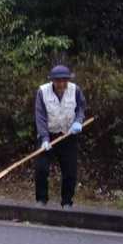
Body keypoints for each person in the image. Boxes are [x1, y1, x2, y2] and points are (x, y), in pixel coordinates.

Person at [34, 64, 86, 207]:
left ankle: (67, 202)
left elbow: (81, 108)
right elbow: (40, 117)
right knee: (41, 169)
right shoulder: (42, 92)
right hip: (48, 135)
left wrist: (78, 121)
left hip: (68, 134)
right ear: (52, 80)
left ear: (68, 80)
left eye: (64, 80)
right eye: (58, 81)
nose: (61, 84)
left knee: (70, 171)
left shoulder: (75, 90)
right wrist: (44, 138)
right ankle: (41, 200)